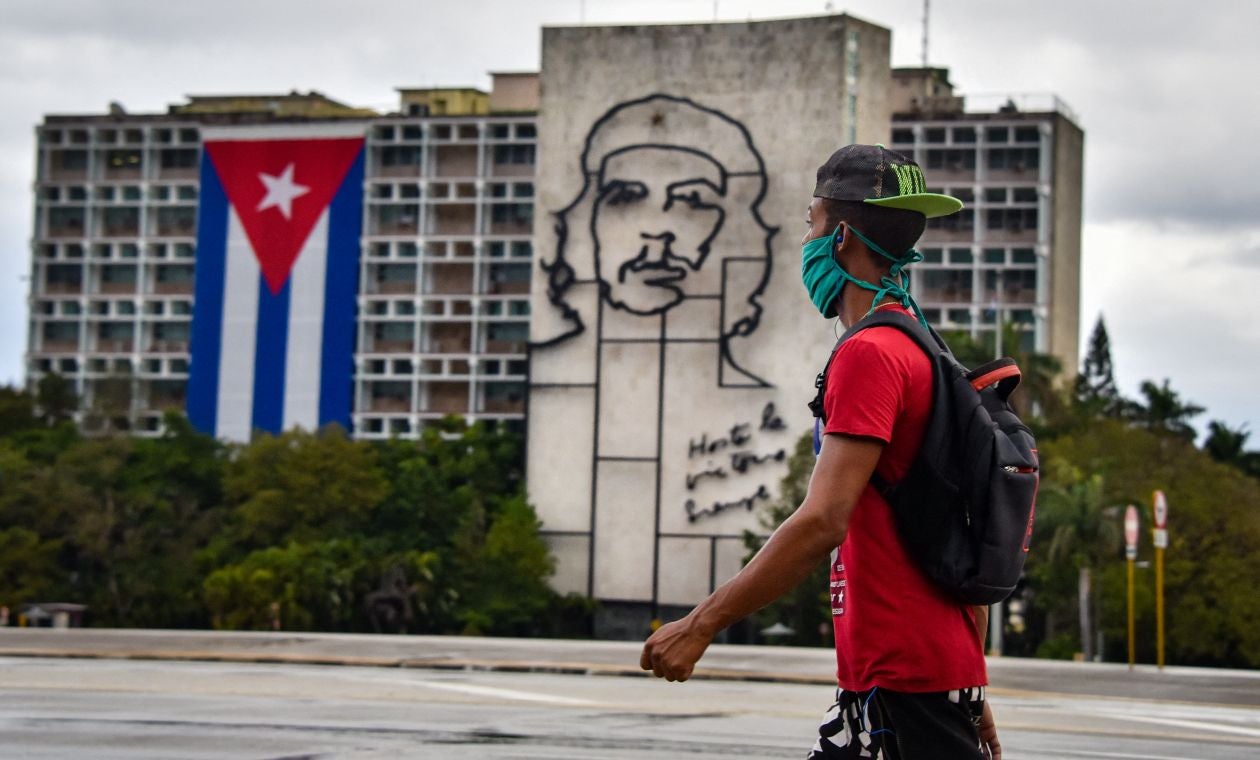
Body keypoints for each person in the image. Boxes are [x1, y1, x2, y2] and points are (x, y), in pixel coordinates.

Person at [639, 144, 1001, 760]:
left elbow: (822, 520)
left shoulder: (871, 355)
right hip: (912, 674)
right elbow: (955, 522)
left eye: (810, 223)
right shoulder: (923, 347)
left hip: (900, 676)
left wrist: (701, 625)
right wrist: (968, 686)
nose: (804, 241)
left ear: (839, 238)